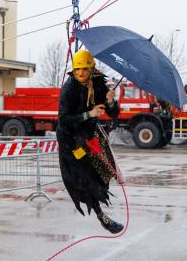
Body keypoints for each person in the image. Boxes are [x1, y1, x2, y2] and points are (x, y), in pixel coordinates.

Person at [56, 50, 124, 234]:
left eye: (84, 70)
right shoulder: (69, 88)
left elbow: (113, 113)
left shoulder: (98, 83)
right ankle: (101, 215)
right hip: (71, 141)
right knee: (84, 178)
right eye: (77, 70)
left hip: (89, 136)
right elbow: (64, 119)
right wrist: (89, 113)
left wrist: (111, 101)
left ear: (91, 69)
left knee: (101, 173)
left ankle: (101, 201)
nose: (80, 74)